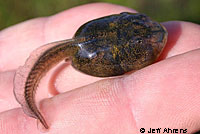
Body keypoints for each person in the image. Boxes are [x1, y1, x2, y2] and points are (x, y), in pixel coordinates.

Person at [0, 3, 200, 134]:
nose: (159, 34)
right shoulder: (84, 57)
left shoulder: (82, 43)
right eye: (142, 42)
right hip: (90, 51)